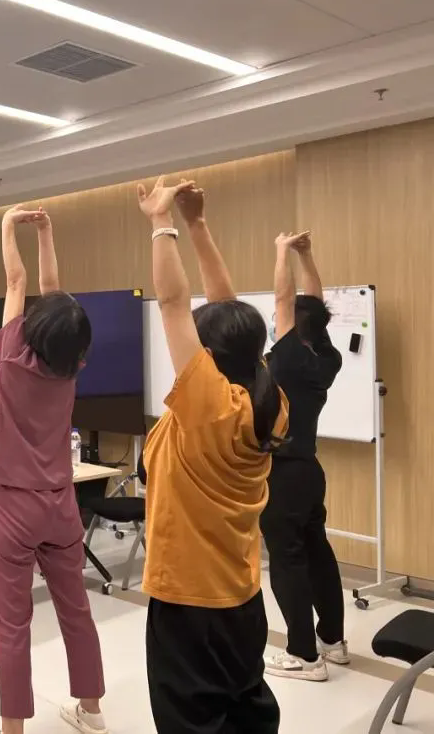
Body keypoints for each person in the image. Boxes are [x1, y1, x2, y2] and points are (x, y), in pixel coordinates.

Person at [138, 176, 288, 733]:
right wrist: (198, 224)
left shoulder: (209, 410)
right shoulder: (267, 400)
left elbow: (174, 303)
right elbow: (228, 312)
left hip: (189, 605)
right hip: (241, 599)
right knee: (244, 711)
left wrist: (163, 223)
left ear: (207, 356)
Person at [0, 204, 107, 734]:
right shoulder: (70, 365)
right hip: (60, 503)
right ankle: (92, 711)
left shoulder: (12, 353)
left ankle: (12, 729)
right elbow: (54, 296)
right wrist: (48, 234)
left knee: (13, 624)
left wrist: (9, 227)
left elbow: (18, 280)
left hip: (11, 505)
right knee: (75, 608)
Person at [261, 231, 347, 681]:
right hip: (310, 470)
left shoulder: (289, 357)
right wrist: (306, 256)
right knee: (318, 553)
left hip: (283, 474)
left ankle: (304, 656)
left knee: (288, 559)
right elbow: (312, 303)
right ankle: (333, 641)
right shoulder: (325, 357)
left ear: (294, 324)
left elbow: (285, 298)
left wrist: (282, 252)